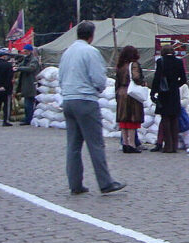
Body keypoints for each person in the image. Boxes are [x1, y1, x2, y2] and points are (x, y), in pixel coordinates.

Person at [59, 21, 126, 195]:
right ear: (91, 35)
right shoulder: (91, 52)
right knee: (95, 144)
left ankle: (75, 183)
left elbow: (60, 77)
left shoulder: (67, 52)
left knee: (73, 146)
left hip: (68, 99)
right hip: (85, 100)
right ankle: (105, 182)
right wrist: (99, 88)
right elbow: (98, 79)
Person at [151, 44, 187, 153]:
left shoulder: (160, 62)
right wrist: (175, 85)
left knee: (165, 118)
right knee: (174, 119)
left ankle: (168, 146)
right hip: (174, 93)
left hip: (164, 93)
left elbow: (157, 78)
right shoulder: (179, 62)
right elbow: (184, 79)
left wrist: (153, 92)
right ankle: (174, 146)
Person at [115, 45, 145, 154]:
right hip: (131, 93)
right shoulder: (134, 65)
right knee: (132, 119)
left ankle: (125, 143)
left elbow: (117, 82)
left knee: (123, 120)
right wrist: (142, 82)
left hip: (121, 92)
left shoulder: (120, 65)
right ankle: (132, 144)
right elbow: (136, 77)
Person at [14, 44, 41, 126]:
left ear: (29, 51)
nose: (24, 52)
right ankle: (28, 117)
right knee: (27, 102)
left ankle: (29, 119)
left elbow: (31, 68)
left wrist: (19, 68)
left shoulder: (33, 60)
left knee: (28, 103)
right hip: (26, 83)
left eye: (25, 51)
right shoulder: (26, 59)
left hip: (31, 83)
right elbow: (21, 65)